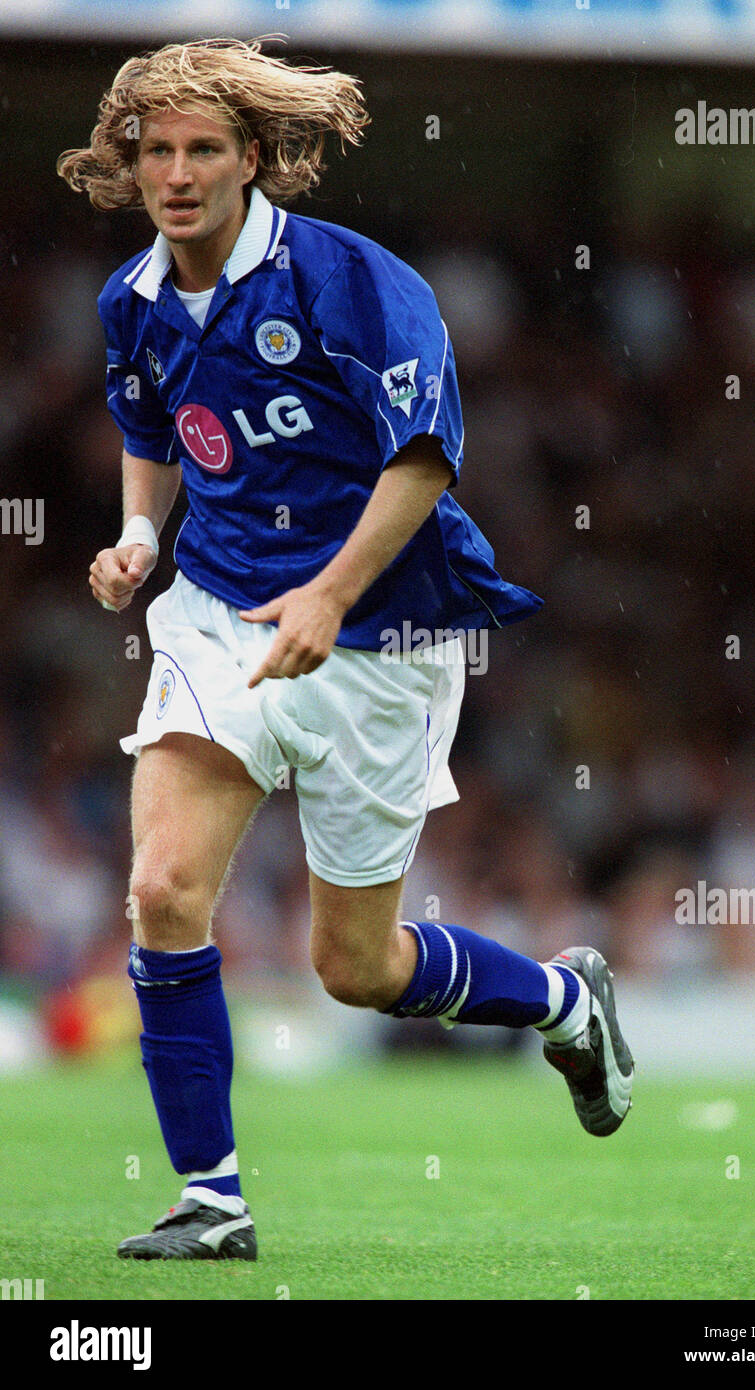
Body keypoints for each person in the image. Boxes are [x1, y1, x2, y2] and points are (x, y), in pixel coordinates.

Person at [57, 36, 633, 1263]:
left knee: (354, 968)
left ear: (253, 158)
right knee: (163, 889)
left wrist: (326, 592)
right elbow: (153, 424)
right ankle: (211, 1198)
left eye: (202, 148)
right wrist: (135, 536)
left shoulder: (352, 282)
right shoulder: (132, 301)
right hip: (216, 612)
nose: (176, 173)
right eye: (155, 150)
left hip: (378, 636)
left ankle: (565, 1003)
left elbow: (422, 454)